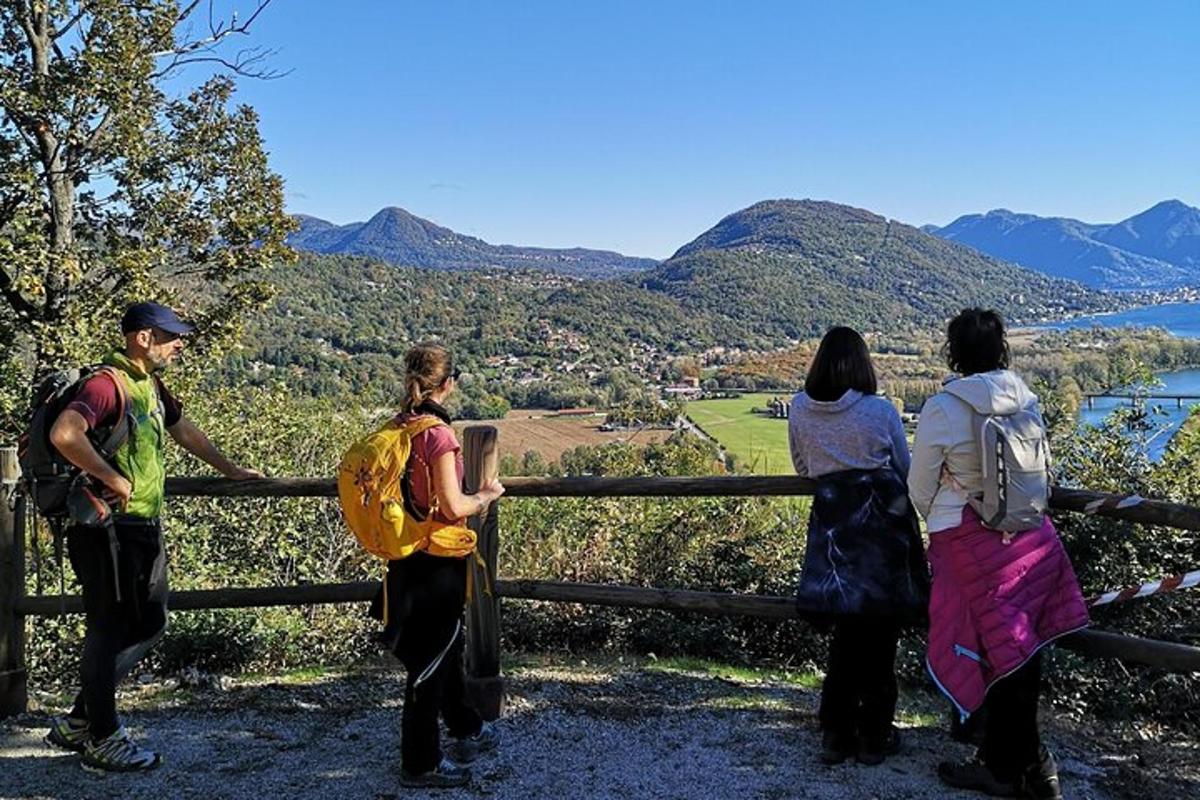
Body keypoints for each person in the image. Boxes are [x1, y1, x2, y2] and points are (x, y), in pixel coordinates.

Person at [43, 302, 264, 773]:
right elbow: (66, 434)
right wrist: (112, 477)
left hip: (140, 526)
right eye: (171, 335)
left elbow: (182, 428)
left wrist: (230, 469)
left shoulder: (150, 387)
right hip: (106, 529)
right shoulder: (107, 384)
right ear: (143, 337)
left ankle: (82, 719)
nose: (179, 343)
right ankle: (102, 738)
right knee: (108, 630)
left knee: (149, 622)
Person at [908, 308, 1089, 800]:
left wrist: (941, 515)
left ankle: (1012, 766)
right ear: (1002, 348)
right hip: (1031, 534)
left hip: (968, 542)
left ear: (954, 352)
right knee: (1021, 647)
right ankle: (1017, 760)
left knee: (993, 648)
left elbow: (919, 488)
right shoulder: (1024, 397)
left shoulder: (944, 408)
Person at [788, 327, 928, 767]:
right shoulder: (880, 410)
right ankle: (874, 734)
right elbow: (906, 469)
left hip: (834, 529)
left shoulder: (798, 408)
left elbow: (803, 467)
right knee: (881, 634)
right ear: (864, 364)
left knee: (845, 633)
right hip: (882, 530)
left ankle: (835, 730)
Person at [369, 343, 505, 789]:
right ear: (448, 384)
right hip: (437, 561)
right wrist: (486, 496)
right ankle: (420, 761)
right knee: (430, 660)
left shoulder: (400, 426)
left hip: (405, 556)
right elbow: (451, 503)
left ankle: (465, 727)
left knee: (442, 649)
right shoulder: (438, 435)